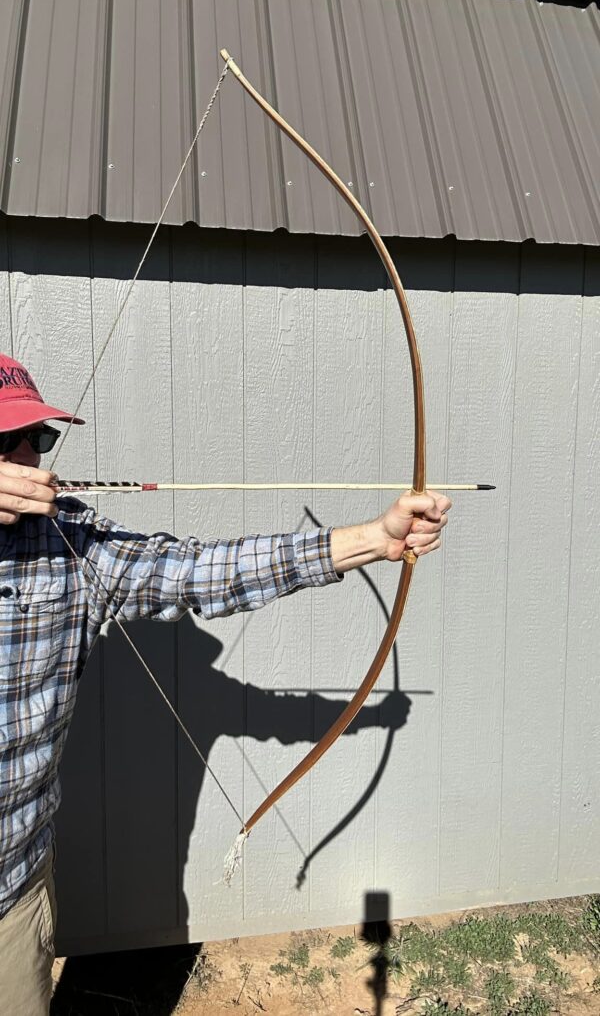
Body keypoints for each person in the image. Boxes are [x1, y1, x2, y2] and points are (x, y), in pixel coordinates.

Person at [0, 352, 450, 1014]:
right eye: (11, 440)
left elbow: (200, 572)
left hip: (12, 891)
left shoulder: (72, 545)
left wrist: (370, 540)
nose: (30, 458)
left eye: (37, 439)